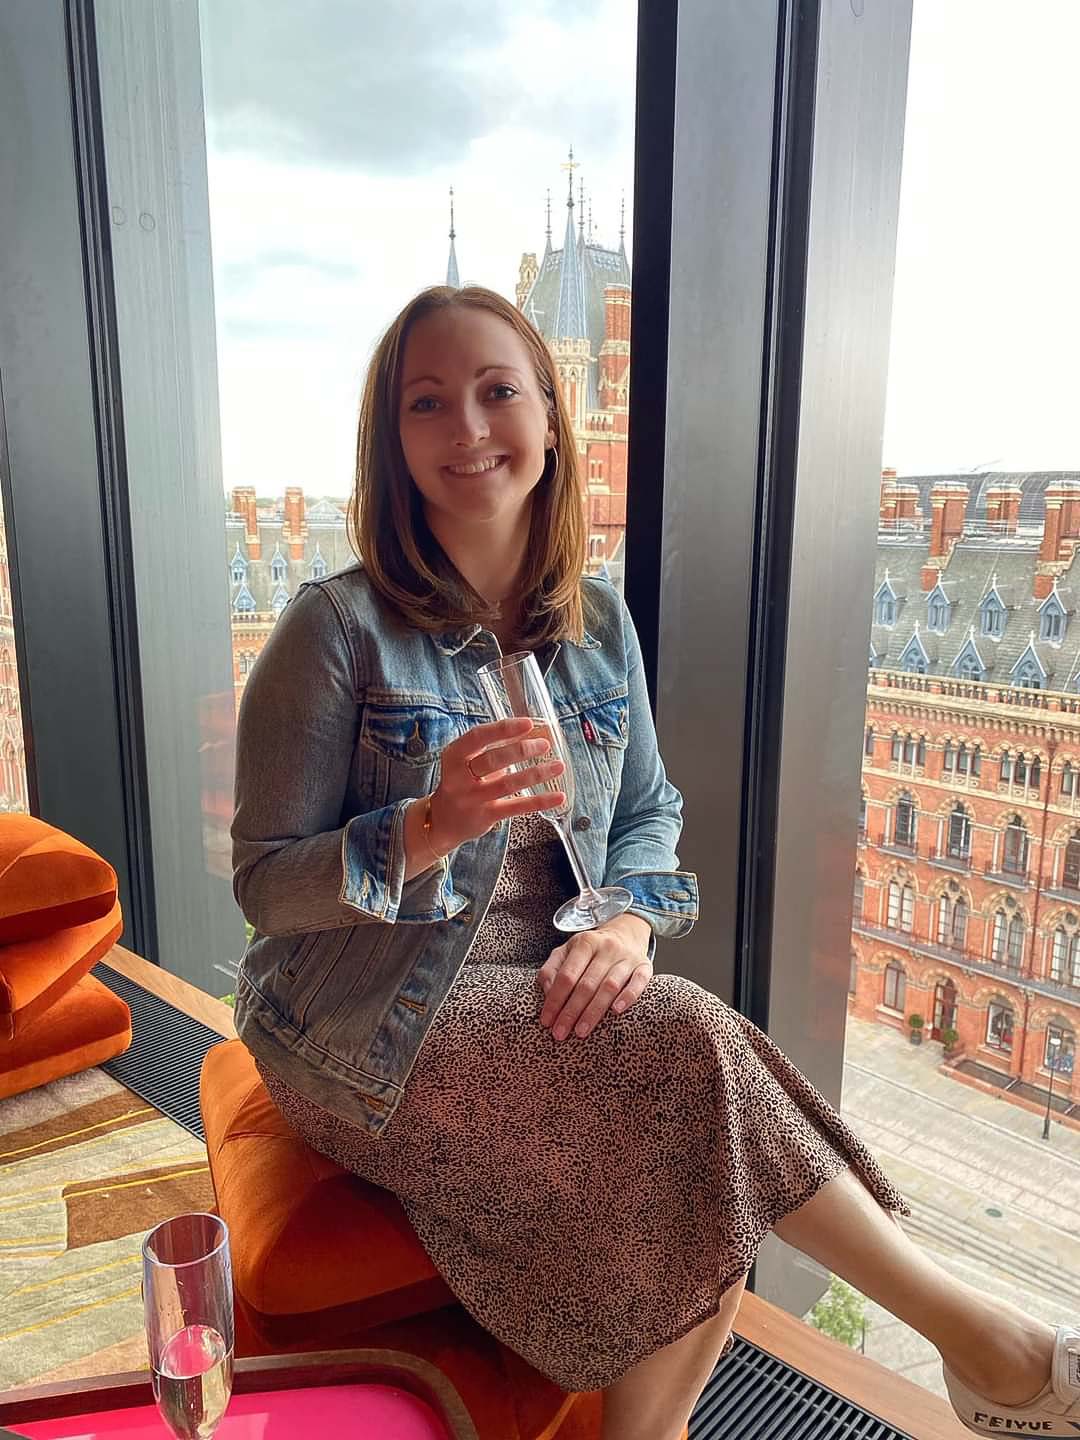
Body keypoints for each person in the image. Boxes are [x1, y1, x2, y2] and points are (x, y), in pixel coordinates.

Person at [231, 284, 1079, 1440]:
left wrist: (628, 924)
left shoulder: (597, 623)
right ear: (393, 441)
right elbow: (264, 887)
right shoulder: (333, 630)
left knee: (697, 1148)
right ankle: (991, 1350)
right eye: (426, 403)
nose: (467, 428)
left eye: (496, 391)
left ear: (550, 416)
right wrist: (430, 825)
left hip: (541, 988)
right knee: (687, 1047)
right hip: (360, 1019)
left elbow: (648, 810)